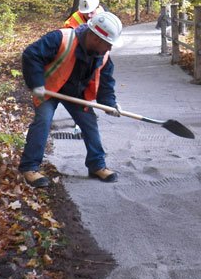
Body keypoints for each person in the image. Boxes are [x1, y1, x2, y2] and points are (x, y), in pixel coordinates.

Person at [19, 11, 123, 188]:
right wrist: (36, 83)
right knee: (43, 121)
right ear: (95, 38)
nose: (110, 48)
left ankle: (96, 164)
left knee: (89, 123)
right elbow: (31, 54)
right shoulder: (61, 38)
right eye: (108, 44)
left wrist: (110, 104)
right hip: (50, 89)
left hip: (76, 92)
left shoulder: (103, 55)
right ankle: (30, 167)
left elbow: (105, 82)